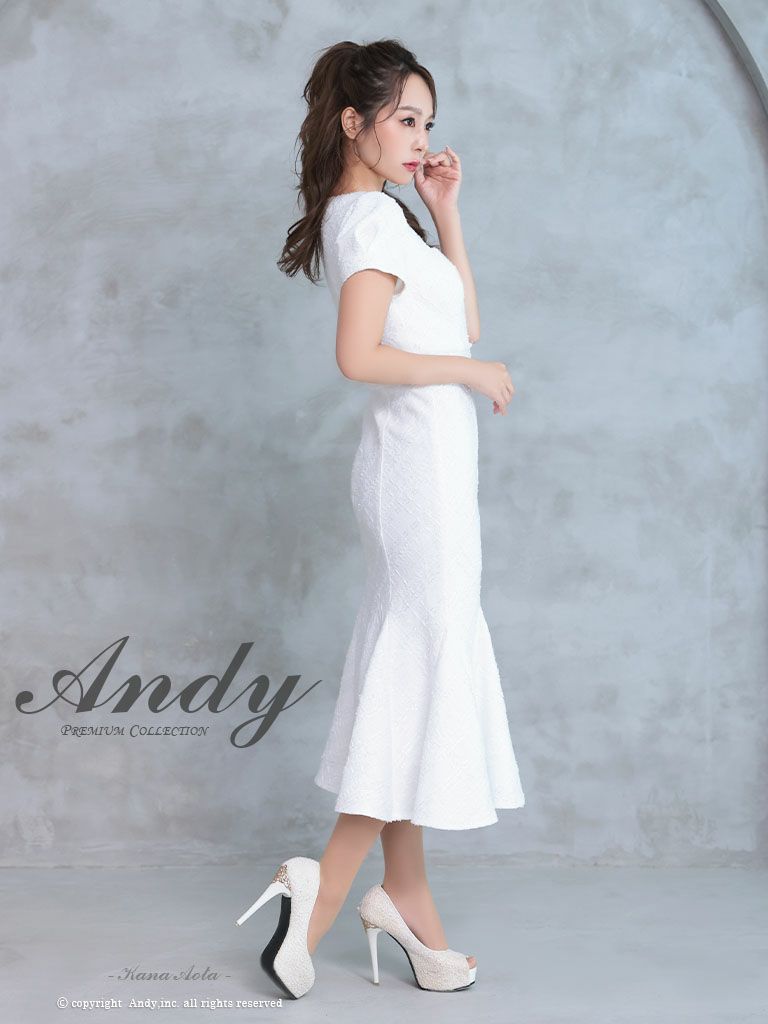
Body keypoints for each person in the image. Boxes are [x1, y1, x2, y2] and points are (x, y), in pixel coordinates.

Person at [235, 38, 525, 999]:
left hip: (433, 470)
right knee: (415, 673)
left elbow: (464, 319)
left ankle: (407, 896)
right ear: (353, 122)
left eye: (428, 122)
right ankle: (317, 899)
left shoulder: (394, 217)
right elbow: (359, 357)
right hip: (414, 476)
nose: (421, 138)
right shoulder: (360, 220)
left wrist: (446, 211)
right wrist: (468, 374)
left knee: (418, 672)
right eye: (405, 119)